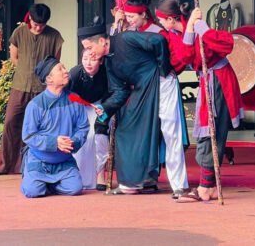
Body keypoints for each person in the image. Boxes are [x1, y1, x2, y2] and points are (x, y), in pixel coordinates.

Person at [79, 22, 171, 195]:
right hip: (140, 90)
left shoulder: (125, 38)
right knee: (123, 130)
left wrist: (163, 70)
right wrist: (105, 109)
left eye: (90, 47)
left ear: (102, 41)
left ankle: (140, 181)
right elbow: (120, 91)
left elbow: (159, 40)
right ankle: (137, 182)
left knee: (141, 130)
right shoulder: (109, 62)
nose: (89, 53)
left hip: (154, 82)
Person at [114, 0, 190, 199]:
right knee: (141, 133)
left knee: (169, 132)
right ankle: (142, 178)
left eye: (132, 16)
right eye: (127, 16)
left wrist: (164, 71)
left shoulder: (160, 33)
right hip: (141, 89)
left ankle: (178, 184)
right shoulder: (129, 31)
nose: (129, 19)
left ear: (143, 14)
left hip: (163, 84)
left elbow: (178, 59)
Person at [175, 7, 245, 202]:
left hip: (218, 82)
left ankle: (205, 187)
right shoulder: (184, 33)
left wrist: (202, 29)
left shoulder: (204, 31)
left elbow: (228, 44)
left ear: (171, 19)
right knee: (208, 129)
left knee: (210, 130)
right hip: (208, 79)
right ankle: (208, 185)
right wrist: (191, 29)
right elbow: (185, 58)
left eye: (163, 20)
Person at [0, 3, 64, 176]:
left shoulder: (54, 36)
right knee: (11, 123)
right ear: (29, 18)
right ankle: (6, 165)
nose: (38, 28)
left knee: (41, 127)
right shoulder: (19, 32)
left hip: (43, 89)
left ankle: (35, 165)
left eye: (42, 25)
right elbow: (14, 57)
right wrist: (26, 70)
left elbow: (55, 63)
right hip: (20, 85)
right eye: (36, 24)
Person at [21, 56, 90, 198]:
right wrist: (55, 142)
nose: (66, 71)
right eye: (60, 69)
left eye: (64, 67)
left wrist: (72, 142)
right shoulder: (35, 105)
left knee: (75, 189)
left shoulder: (75, 100)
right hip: (39, 161)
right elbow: (28, 136)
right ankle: (32, 175)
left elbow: (83, 127)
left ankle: (50, 185)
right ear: (49, 79)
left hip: (64, 161)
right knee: (32, 192)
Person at [68, 51, 111, 191]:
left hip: (101, 106)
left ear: (101, 61)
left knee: (98, 134)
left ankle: (100, 174)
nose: (88, 63)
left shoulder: (107, 72)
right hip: (80, 108)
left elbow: (112, 94)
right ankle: (79, 176)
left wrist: (104, 108)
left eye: (93, 59)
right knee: (83, 135)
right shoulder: (75, 73)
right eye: (85, 58)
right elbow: (68, 97)